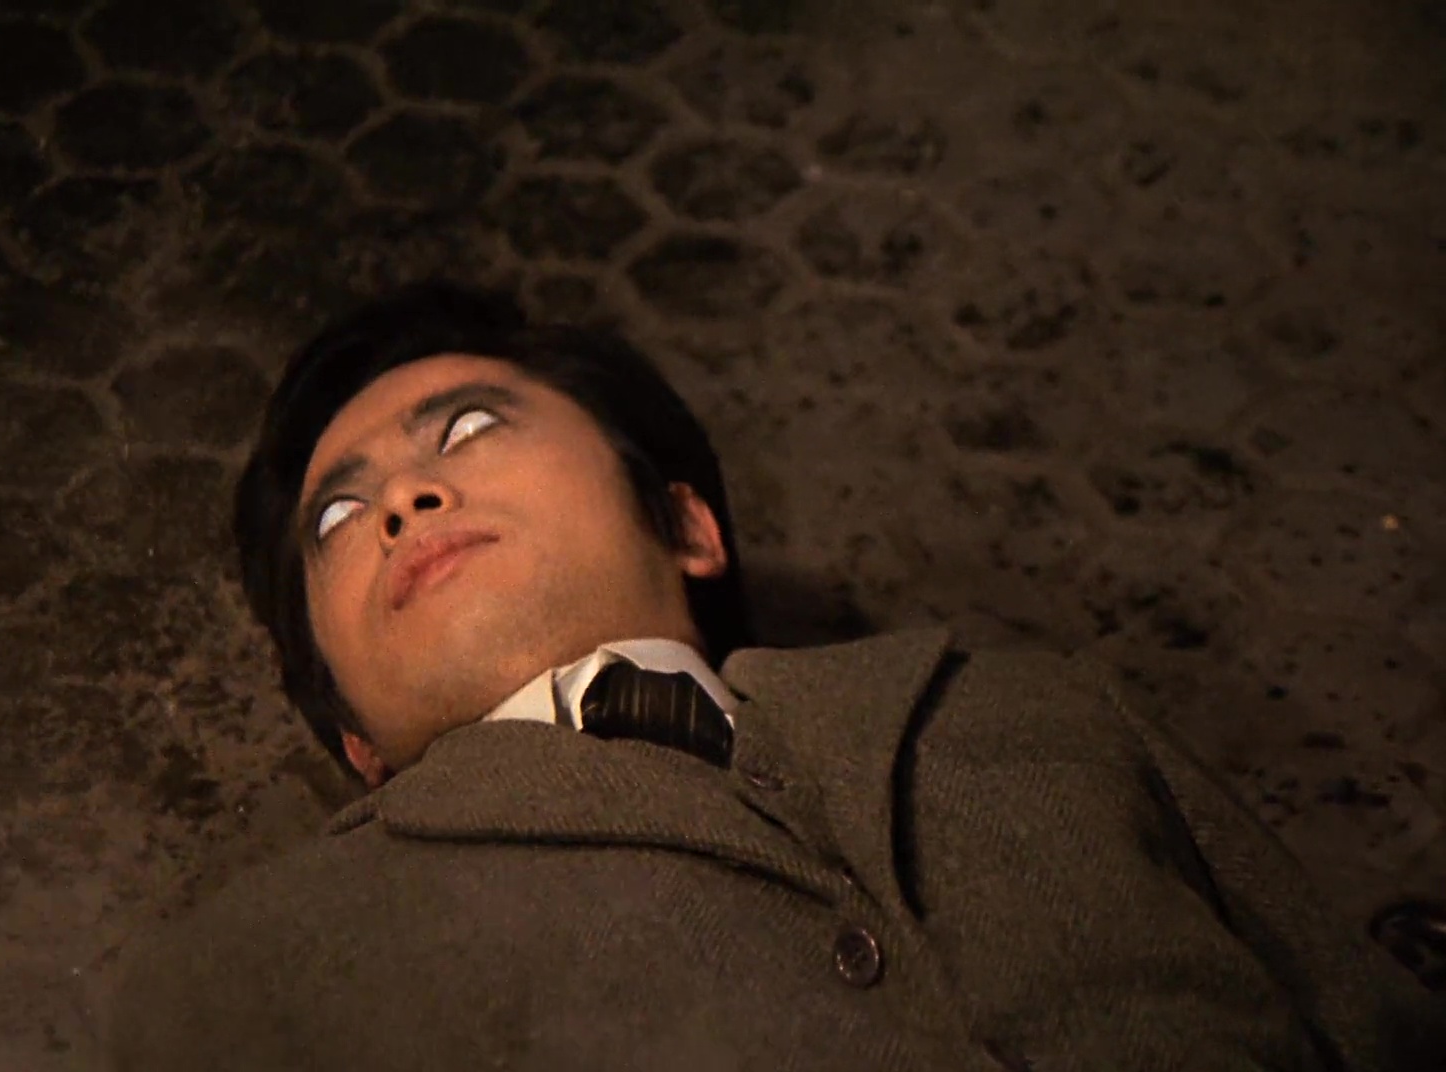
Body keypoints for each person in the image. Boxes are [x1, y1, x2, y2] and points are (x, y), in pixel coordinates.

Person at [104, 282, 1441, 1071]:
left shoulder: (1023, 707)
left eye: (464, 428)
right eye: (340, 518)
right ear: (355, 743)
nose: (404, 498)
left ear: (686, 522)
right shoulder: (237, 996)